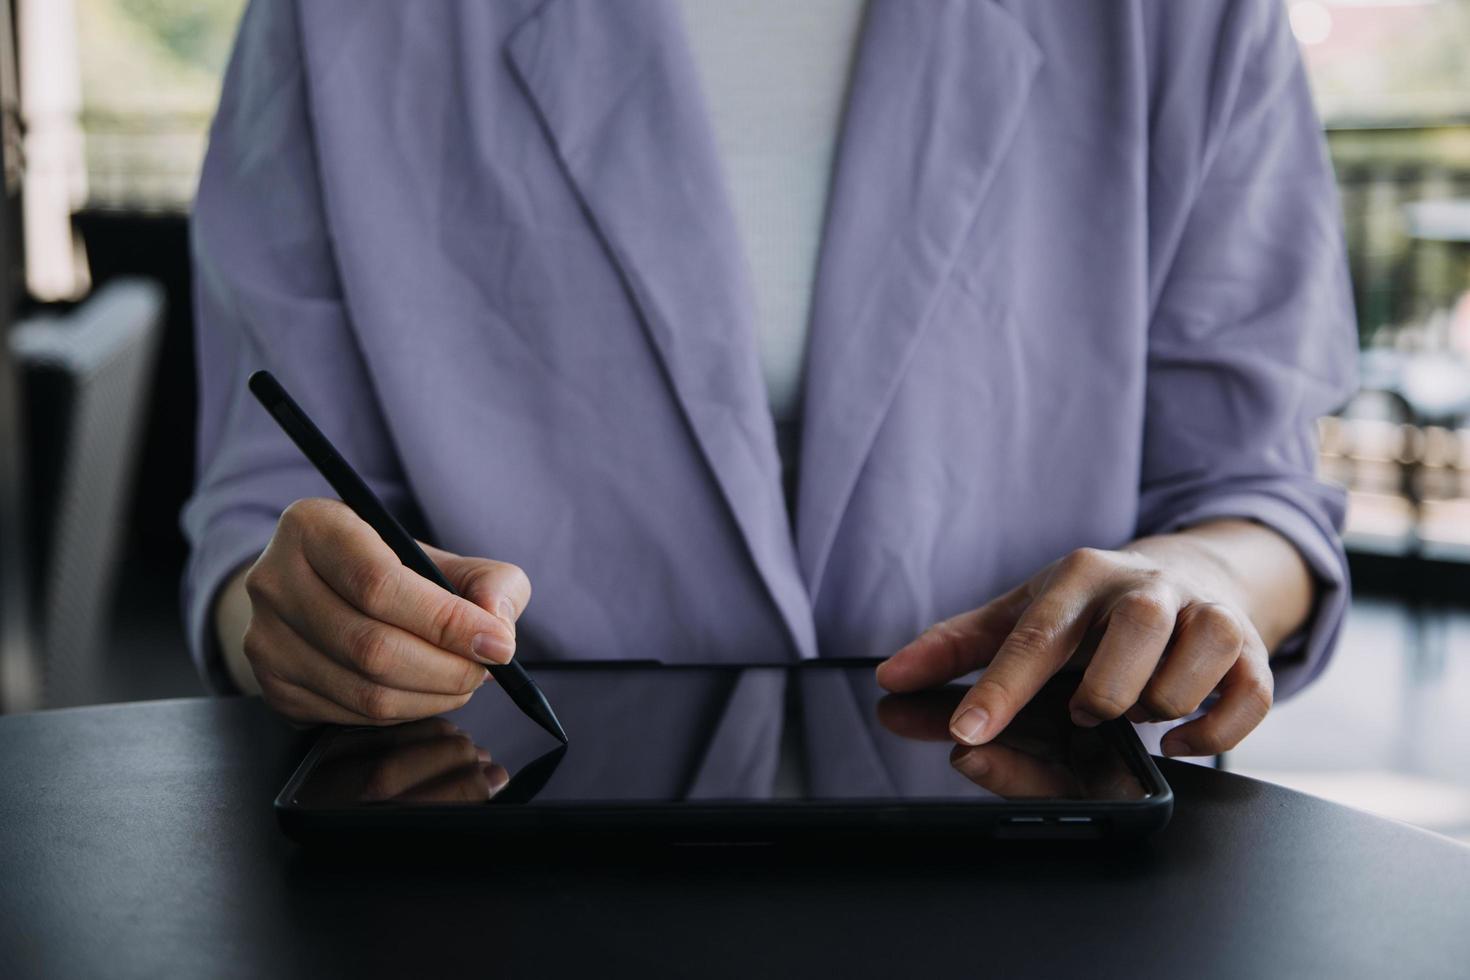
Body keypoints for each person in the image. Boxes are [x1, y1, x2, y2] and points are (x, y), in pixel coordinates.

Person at [184, 0, 1357, 760]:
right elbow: (269, 513)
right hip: (501, 846)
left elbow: (1259, 491)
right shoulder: (327, 19)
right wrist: (290, 617)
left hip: (1027, 848)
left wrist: (1193, 577)